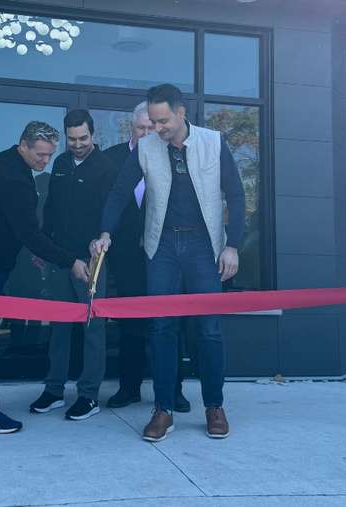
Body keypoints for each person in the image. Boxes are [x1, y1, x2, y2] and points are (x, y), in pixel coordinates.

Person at [92, 84, 245, 442]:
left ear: (180, 113)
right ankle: (163, 409)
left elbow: (236, 194)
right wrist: (105, 231)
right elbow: (119, 191)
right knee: (161, 328)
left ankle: (214, 406)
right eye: (153, 122)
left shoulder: (213, 141)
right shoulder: (145, 147)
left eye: (163, 121)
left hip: (204, 246)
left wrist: (233, 245)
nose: (157, 128)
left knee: (209, 329)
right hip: (161, 246)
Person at [0, 121, 89, 434]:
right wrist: (71, 262)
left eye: (50, 155)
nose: (44, 161)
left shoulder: (5, 161)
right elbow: (29, 234)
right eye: (40, 154)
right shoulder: (13, 177)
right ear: (23, 145)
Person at [28, 110, 117, 421]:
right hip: (60, 258)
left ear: (93, 135)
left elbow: (111, 212)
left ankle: (88, 395)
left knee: (93, 328)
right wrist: (44, 246)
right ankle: (54, 390)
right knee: (59, 326)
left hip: (92, 259)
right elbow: (51, 207)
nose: (77, 145)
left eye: (83, 138)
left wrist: (101, 240)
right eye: (72, 139)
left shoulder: (106, 167)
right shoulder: (61, 163)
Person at [104, 101, 191, 413]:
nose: (146, 133)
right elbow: (106, 204)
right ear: (131, 127)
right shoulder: (111, 159)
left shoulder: (173, 154)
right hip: (127, 257)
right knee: (130, 324)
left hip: (167, 256)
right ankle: (128, 388)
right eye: (141, 128)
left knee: (170, 323)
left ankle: (174, 390)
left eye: (151, 128)